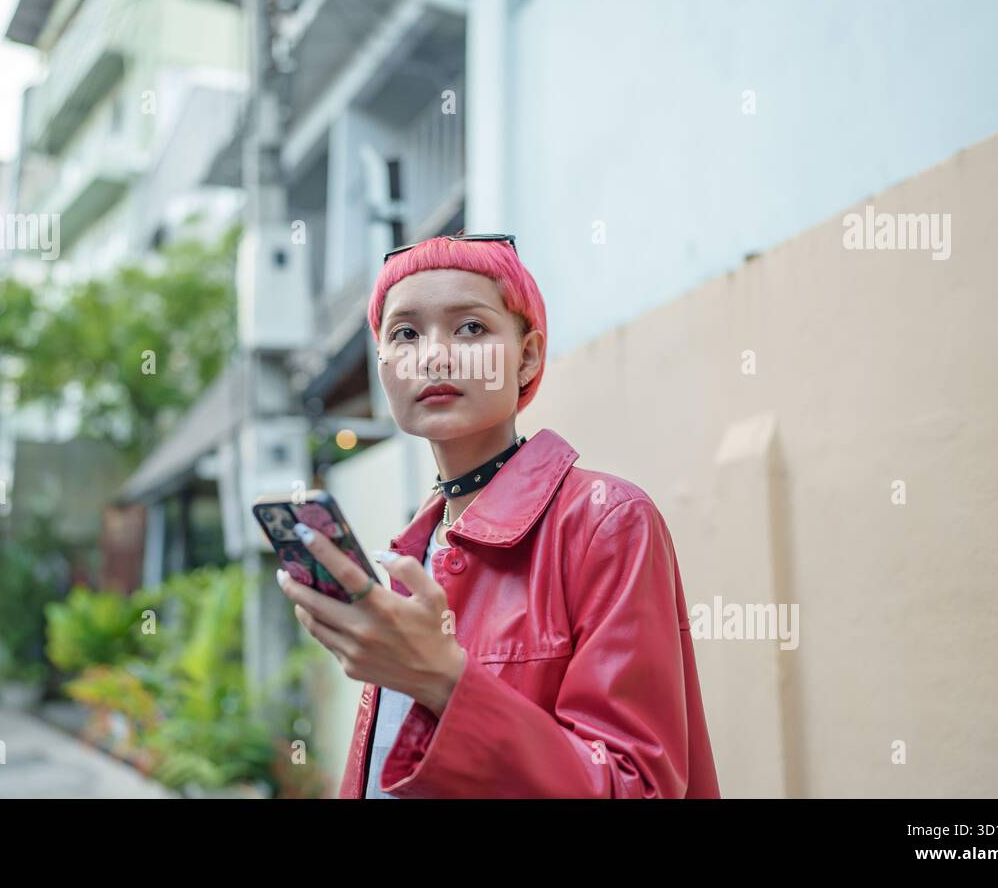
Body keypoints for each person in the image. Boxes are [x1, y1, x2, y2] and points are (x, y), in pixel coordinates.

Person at [275, 233, 720, 798]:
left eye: (471, 328)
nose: (434, 355)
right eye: (405, 333)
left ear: (528, 355)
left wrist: (444, 681)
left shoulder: (606, 521)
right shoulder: (411, 549)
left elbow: (636, 788)